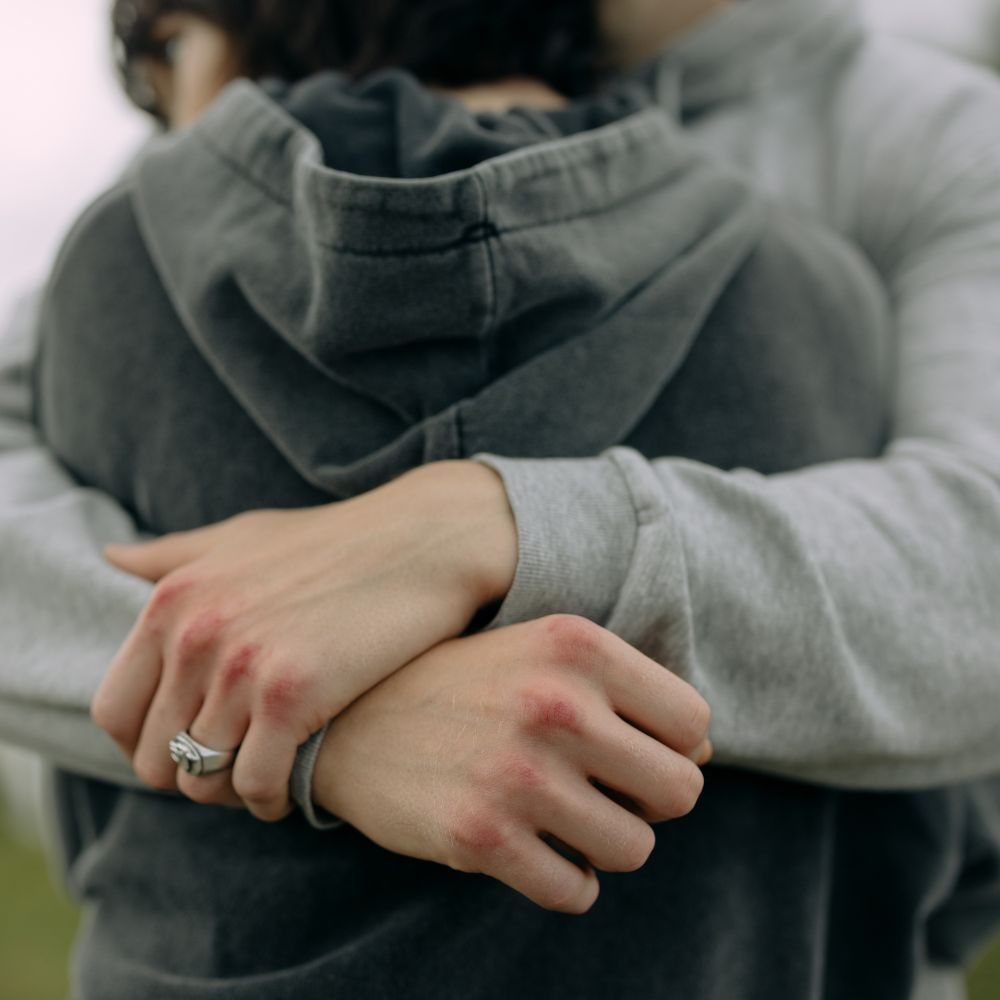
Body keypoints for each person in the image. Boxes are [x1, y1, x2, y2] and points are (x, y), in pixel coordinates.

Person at [2, 0, 1000, 996]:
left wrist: (491, 524)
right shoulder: (175, 202)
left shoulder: (929, 140)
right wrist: (303, 724)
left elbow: (978, 573)